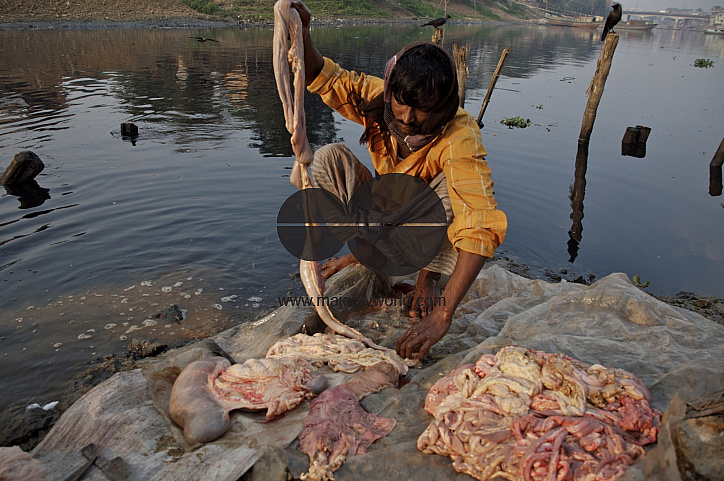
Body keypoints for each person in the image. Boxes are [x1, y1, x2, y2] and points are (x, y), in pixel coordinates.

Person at [290, 1, 507, 362]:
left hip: (426, 220)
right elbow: (325, 77)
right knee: (328, 159)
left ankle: (427, 277)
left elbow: (479, 224)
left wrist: (444, 313)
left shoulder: (460, 135)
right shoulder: (381, 99)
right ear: (391, 91)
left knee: (452, 192)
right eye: (401, 103)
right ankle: (368, 256)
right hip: (386, 211)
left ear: (443, 105)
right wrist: (304, 33)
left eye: (423, 108)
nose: (407, 118)